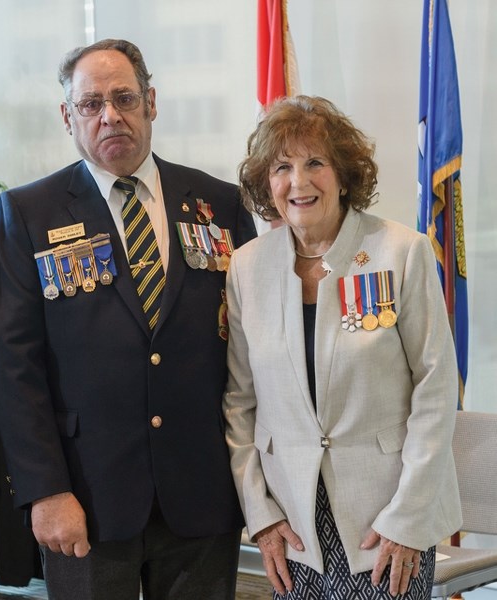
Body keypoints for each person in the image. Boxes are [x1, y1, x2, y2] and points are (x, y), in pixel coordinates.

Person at [0, 38, 256, 599]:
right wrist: (45, 491)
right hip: (86, 497)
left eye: (124, 97)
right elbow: (15, 368)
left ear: (151, 102)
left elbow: (252, 352)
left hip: (204, 489)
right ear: (68, 116)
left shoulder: (220, 203)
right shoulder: (29, 212)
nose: (109, 114)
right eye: (90, 104)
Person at [223, 95, 462, 599]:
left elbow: (436, 390)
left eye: (315, 163)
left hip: (387, 519)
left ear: (345, 173)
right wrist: (261, 517)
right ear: (267, 181)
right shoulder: (246, 267)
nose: (299, 181)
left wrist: (408, 518)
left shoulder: (402, 251)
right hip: (293, 525)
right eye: (282, 166)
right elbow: (239, 404)